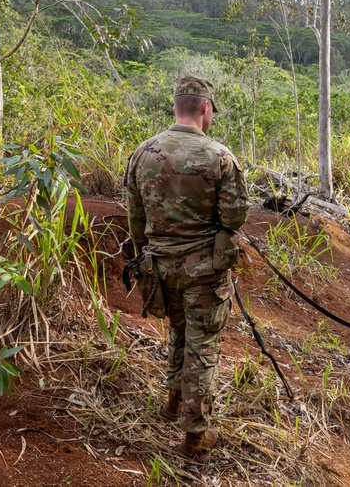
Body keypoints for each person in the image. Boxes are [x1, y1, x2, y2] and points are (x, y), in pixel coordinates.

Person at [125, 75, 249, 455]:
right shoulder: (220, 156)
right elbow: (234, 218)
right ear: (206, 108)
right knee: (202, 346)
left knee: (179, 332)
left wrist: (148, 252)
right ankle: (195, 432)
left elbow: (134, 217)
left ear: (175, 106)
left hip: (159, 267)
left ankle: (173, 401)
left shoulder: (143, 152)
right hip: (203, 272)